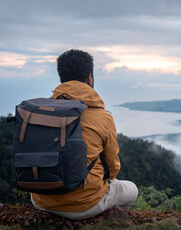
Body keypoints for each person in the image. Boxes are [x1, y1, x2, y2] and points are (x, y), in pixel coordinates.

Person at [31, 49, 138, 219]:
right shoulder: (103, 117)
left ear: (61, 80)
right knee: (132, 189)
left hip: (42, 200)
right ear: (90, 78)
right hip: (85, 205)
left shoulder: (43, 112)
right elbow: (112, 170)